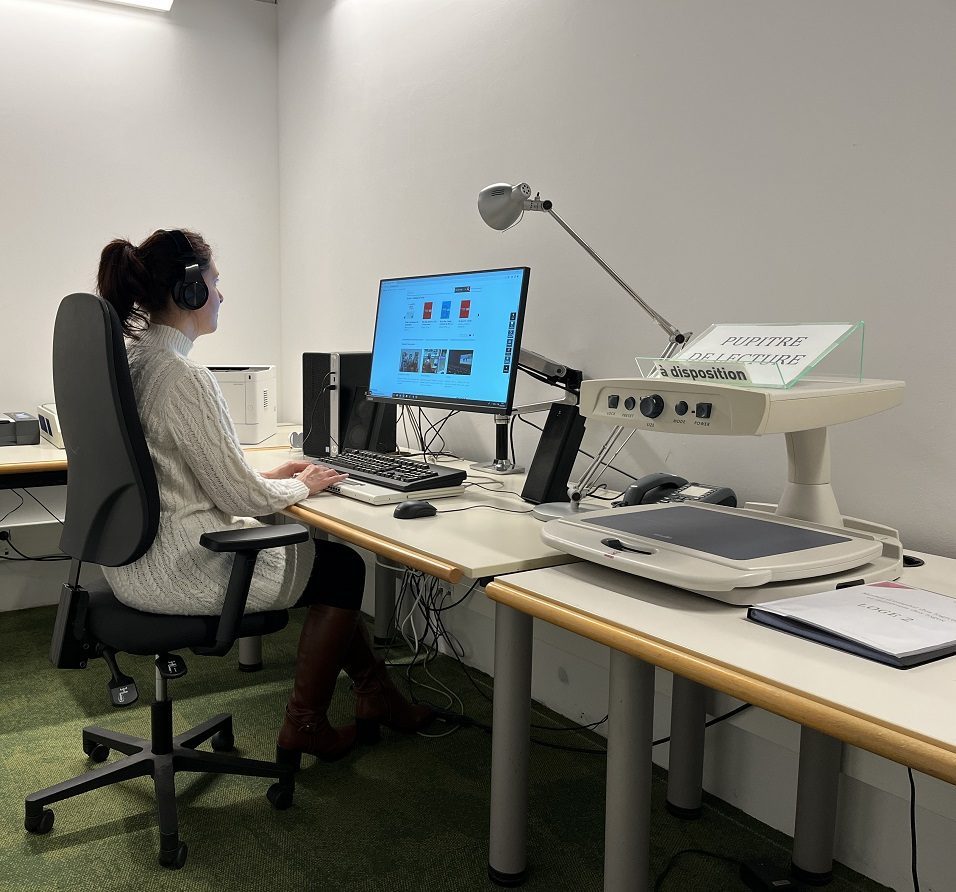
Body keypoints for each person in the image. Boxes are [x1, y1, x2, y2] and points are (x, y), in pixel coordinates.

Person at [96, 228, 432, 764]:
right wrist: (303, 482)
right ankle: (307, 725)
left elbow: (184, 474)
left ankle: (376, 696)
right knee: (342, 569)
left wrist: (275, 474)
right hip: (180, 566)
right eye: (215, 281)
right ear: (189, 291)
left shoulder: (135, 360)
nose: (221, 295)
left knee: (330, 565)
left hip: (131, 562)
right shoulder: (182, 375)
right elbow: (238, 494)